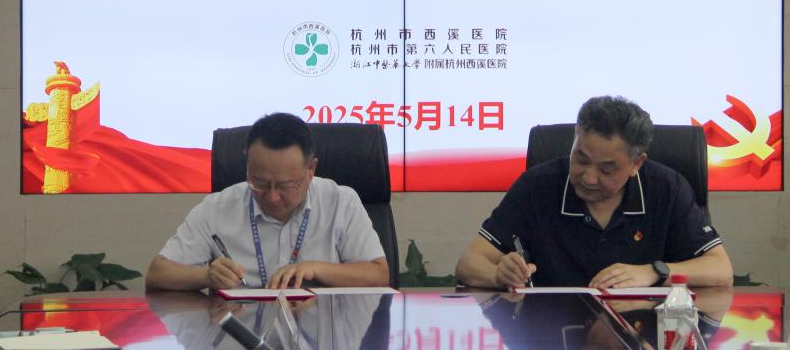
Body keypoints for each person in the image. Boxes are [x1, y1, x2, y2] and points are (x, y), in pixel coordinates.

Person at [455, 95, 733, 289]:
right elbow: (469, 263)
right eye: (581, 159)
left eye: (607, 169)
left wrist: (654, 272)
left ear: (636, 164)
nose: (588, 177)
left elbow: (720, 270)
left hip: (642, 335)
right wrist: (498, 274)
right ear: (574, 140)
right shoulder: (537, 186)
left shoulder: (666, 188)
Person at [147, 112, 389, 290]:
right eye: (259, 183)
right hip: (243, 332)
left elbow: (378, 274)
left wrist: (316, 269)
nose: (272, 196)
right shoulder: (218, 207)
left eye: (285, 186)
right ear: (248, 166)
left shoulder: (340, 202)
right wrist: (205, 276)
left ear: (311, 170)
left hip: (321, 331)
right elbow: (158, 274)